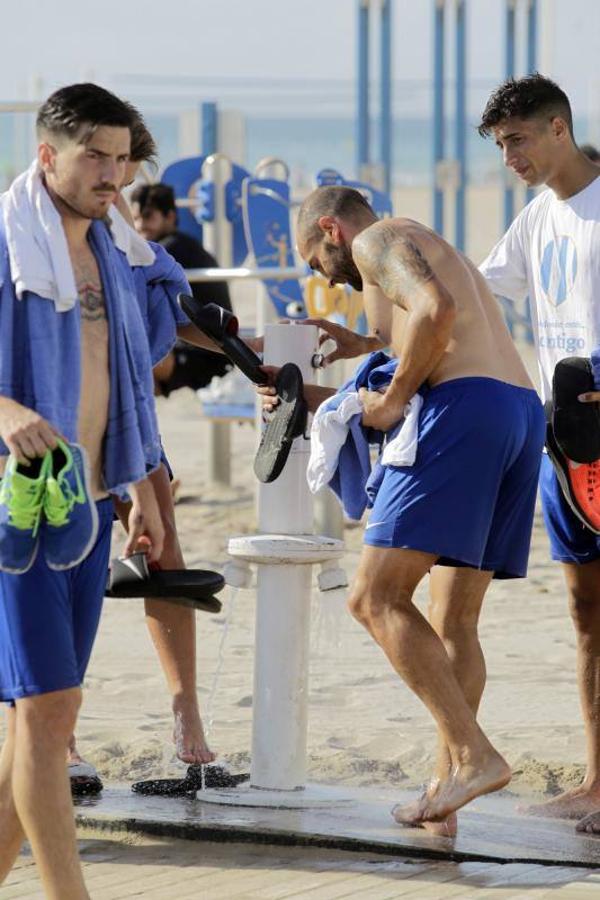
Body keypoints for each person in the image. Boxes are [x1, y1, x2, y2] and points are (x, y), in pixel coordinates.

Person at [261, 185, 545, 832]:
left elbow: (434, 311)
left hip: (465, 412)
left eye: (313, 260)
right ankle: (448, 788)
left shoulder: (374, 240)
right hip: (516, 411)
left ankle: (472, 757)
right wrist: (360, 347)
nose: (321, 277)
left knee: (374, 598)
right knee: (455, 621)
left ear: (331, 229)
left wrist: (388, 403)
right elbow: (438, 317)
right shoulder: (421, 238)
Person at [0, 83, 165, 898]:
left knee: (31, 727)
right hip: (15, 517)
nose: (111, 174)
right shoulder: (9, 244)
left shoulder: (115, 253)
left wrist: (141, 492)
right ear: (47, 156)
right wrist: (4, 410)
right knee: (54, 712)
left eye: (120, 157)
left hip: (92, 507)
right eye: (93, 156)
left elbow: (124, 383)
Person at [66, 110, 220, 798]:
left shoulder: (118, 220)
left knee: (164, 556)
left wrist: (262, 358)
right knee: (62, 567)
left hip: (127, 415)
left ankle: (186, 716)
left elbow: (168, 301)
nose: (116, 180)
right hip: (49, 421)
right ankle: (58, 732)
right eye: (108, 164)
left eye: (126, 168)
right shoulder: (38, 223)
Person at [477, 73, 600, 835]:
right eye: (499, 146)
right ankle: (595, 782)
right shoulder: (536, 219)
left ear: (559, 128)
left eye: (517, 139)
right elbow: (472, 298)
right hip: (565, 444)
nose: (509, 156)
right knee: (587, 615)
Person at [131, 182, 232, 397]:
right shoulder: (183, 245)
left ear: (170, 217)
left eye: (148, 217)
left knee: (129, 356)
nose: (140, 226)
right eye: (136, 218)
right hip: (210, 350)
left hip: (207, 356)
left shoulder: (170, 250)